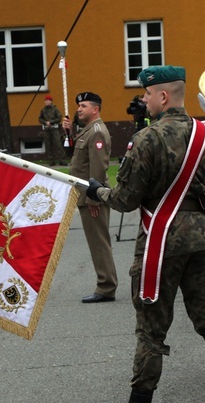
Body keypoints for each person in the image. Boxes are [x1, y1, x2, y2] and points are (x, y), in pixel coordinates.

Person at [87, 65, 205, 403]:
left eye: (147, 93)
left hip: (161, 244)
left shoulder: (146, 139)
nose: (143, 99)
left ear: (163, 96)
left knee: (151, 333)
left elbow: (125, 200)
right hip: (204, 243)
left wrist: (97, 191)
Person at [65, 92, 118, 303]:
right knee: (96, 242)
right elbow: (75, 160)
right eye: (78, 105)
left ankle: (106, 286)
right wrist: (68, 134)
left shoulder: (96, 132)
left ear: (95, 109)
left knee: (99, 243)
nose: (79, 109)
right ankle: (105, 283)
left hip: (92, 197)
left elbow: (98, 167)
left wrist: (94, 198)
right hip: (86, 195)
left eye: (84, 105)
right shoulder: (86, 131)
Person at [38, 95, 66, 166]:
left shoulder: (55, 109)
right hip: (47, 129)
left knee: (58, 144)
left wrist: (51, 122)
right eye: (45, 101)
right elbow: (40, 119)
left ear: (51, 101)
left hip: (54, 129)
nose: (46, 102)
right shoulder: (43, 110)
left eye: (47, 101)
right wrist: (45, 122)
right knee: (48, 144)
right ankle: (51, 160)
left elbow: (59, 118)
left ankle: (61, 160)